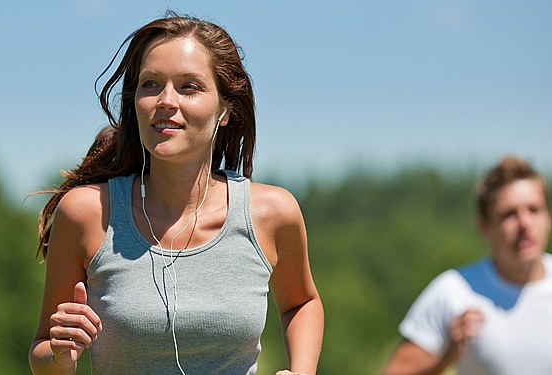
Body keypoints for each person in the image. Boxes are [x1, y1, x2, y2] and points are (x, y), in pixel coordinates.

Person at [28, 12, 324, 375]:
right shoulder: (87, 213)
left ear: (225, 109)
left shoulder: (272, 214)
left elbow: (302, 303)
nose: (166, 100)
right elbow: (43, 352)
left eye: (189, 86)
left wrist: (303, 371)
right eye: (150, 84)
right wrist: (58, 356)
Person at [380, 155, 552, 375]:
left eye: (534, 210)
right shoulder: (454, 291)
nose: (525, 224)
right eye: (509, 214)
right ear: (483, 226)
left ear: (548, 217)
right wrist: (445, 359)